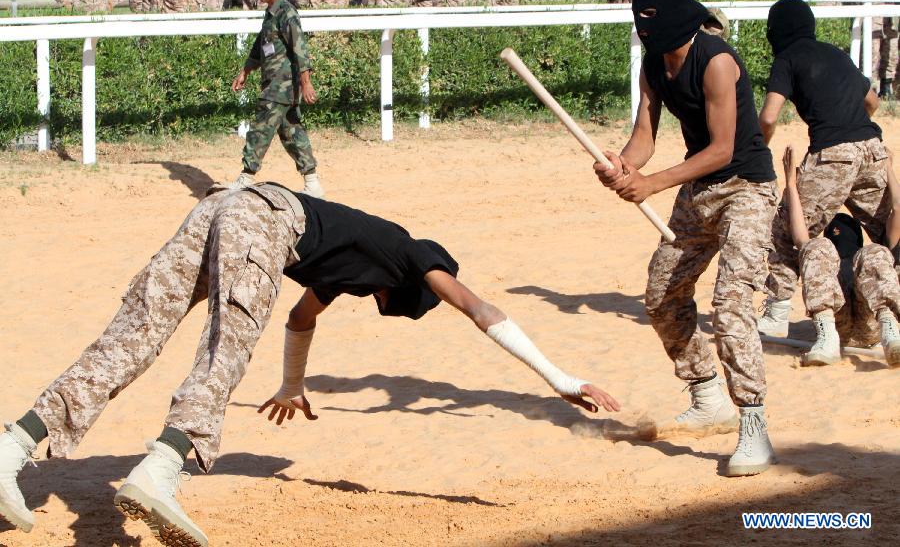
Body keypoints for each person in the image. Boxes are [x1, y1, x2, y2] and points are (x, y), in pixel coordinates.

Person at [0, 179, 620, 543]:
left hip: (224, 203)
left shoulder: (353, 263)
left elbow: (301, 318)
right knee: (228, 343)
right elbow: (481, 309)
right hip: (264, 219)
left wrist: (292, 384)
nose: (378, 300)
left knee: (132, 335)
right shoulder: (414, 256)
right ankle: (164, 465)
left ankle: (11, 450)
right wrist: (559, 378)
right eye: (390, 301)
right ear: (408, 288)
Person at [595, 0, 778, 476]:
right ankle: (707, 395)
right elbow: (644, 137)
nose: (644, 25)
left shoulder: (716, 60)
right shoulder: (654, 65)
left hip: (747, 190)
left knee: (732, 305)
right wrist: (624, 166)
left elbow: (722, 149)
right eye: (639, 16)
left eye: (651, 15)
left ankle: (754, 426)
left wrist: (654, 183)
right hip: (700, 190)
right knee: (661, 294)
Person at [757, 0, 891, 337]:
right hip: (873, 149)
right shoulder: (836, 53)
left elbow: (770, 116)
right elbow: (872, 101)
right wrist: (855, 131)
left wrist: (756, 149)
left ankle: (776, 311)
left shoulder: (787, 58)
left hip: (832, 154)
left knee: (787, 227)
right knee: (889, 230)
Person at [780, 144, 900, 367]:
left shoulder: (868, 258)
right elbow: (801, 239)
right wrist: (790, 186)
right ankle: (826, 337)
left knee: (877, 251)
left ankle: (890, 331)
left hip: (871, 321)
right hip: (837, 322)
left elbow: (898, 207)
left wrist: (888, 169)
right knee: (814, 246)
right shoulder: (826, 259)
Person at [230, 0, 324, 196]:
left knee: (261, 128)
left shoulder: (286, 13)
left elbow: (300, 49)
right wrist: (246, 70)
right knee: (292, 132)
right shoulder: (271, 13)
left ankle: (246, 176)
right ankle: (312, 182)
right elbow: (261, 45)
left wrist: (306, 82)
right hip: (275, 83)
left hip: (281, 86)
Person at [849, 0, 896, 98]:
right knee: (872, 54)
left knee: (891, 52)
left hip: (890, 18)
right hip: (872, 18)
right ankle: (871, 91)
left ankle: (887, 88)